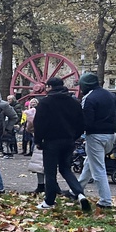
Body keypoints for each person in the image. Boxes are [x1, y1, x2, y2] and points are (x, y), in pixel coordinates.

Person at [33, 76, 91, 211]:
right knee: (66, 169)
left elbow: (39, 124)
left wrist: (38, 141)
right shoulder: (74, 102)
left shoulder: (45, 103)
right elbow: (81, 123)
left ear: (49, 87)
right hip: (68, 140)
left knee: (50, 172)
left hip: (51, 141)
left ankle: (49, 200)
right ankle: (80, 193)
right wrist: (74, 136)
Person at [77, 72, 116, 210]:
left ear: (85, 85)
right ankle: (76, 189)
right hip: (111, 135)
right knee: (90, 163)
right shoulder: (111, 95)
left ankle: (105, 200)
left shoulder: (88, 98)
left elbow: (87, 120)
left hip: (95, 135)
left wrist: (78, 133)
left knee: (98, 169)